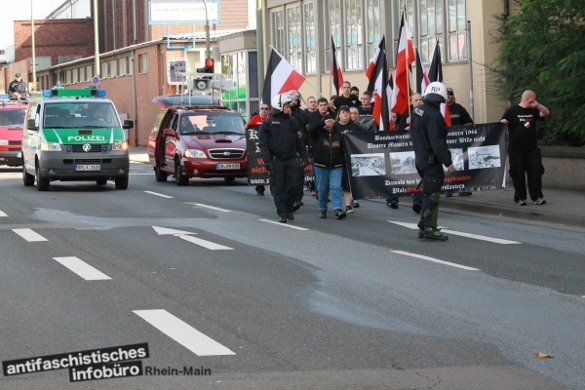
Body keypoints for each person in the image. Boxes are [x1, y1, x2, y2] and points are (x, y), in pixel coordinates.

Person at [410, 82, 455, 241]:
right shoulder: (435, 116)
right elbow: (437, 141)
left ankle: (424, 225)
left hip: (421, 158)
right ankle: (430, 227)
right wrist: (447, 160)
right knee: (432, 194)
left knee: (428, 192)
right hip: (431, 160)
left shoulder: (417, 111)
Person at [258, 93, 307, 223]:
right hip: (276, 159)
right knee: (278, 188)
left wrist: (304, 155)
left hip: (291, 159)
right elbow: (262, 144)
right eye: (286, 106)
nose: (289, 108)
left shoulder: (293, 121)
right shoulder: (268, 124)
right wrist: (267, 161)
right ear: (280, 106)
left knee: (294, 185)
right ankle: (282, 213)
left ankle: (288, 208)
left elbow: (300, 139)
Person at [500, 90, 550, 206]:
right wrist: (502, 122)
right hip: (516, 149)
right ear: (528, 99)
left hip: (532, 149)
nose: (535, 101)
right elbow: (502, 124)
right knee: (517, 174)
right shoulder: (511, 111)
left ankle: (537, 196)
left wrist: (537, 105)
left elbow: (546, 113)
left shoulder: (533, 111)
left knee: (536, 172)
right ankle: (520, 197)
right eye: (534, 99)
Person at [387, 93, 424, 213]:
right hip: (405, 151)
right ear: (411, 102)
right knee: (402, 175)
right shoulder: (406, 114)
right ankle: (393, 198)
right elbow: (398, 132)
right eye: (416, 100)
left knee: (418, 176)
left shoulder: (426, 113)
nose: (418, 102)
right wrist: (405, 125)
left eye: (420, 100)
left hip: (420, 150)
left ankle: (418, 202)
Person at [310, 109, 347, 220]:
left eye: (331, 122)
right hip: (321, 165)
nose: (329, 124)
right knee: (322, 189)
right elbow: (311, 129)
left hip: (336, 165)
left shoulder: (338, 133)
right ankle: (322, 208)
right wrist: (322, 123)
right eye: (327, 122)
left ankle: (338, 209)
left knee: (336, 187)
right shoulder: (317, 133)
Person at [445, 87, 474, 197]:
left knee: (462, 165)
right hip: (446, 143)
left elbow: (469, 123)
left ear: (453, 95)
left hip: (459, 143)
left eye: (450, 94)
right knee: (449, 166)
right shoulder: (441, 109)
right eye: (446, 94)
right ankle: (449, 188)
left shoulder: (459, 108)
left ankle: (463, 188)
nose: (448, 96)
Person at [336, 106, 363, 214]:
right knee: (337, 184)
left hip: (350, 158)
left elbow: (361, 139)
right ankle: (337, 205)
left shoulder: (355, 126)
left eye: (347, 112)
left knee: (347, 183)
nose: (346, 114)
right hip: (337, 158)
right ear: (339, 114)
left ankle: (348, 205)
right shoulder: (334, 126)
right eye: (343, 112)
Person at [307, 98, 336, 197]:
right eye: (321, 105)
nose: (323, 107)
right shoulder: (312, 116)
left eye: (325, 105)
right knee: (317, 172)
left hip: (330, 147)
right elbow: (310, 129)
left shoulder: (332, 115)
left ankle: (324, 192)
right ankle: (317, 190)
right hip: (316, 147)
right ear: (318, 106)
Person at [246, 103, 271, 195]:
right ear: (259, 110)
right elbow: (247, 128)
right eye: (262, 109)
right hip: (257, 147)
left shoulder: (271, 118)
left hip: (269, 147)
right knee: (259, 167)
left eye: (266, 109)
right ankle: (260, 188)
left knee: (272, 167)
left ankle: (274, 189)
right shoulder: (255, 119)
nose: (264, 111)